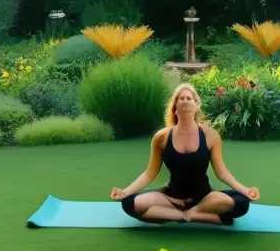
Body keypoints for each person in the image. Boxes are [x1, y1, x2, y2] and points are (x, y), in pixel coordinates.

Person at [111, 83, 258, 225]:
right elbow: (150, 173)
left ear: (196, 105)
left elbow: (222, 173)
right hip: (171, 199)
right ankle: (196, 216)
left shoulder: (210, 136)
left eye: (189, 98)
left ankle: (190, 213)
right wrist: (125, 192)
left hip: (205, 198)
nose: (185, 101)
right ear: (175, 107)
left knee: (242, 202)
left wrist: (246, 190)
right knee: (130, 203)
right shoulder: (162, 137)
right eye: (181, 98)